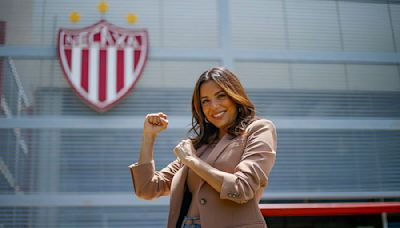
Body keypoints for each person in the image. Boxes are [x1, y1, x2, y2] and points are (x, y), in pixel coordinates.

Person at [129, 67, 277, 228]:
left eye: (221, 96)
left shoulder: (258, 129)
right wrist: (149, 137)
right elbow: (147, 189)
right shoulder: (198, 146)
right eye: (205, 100)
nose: (213, 106)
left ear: (235, 96)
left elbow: (243, 188)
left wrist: (192, 161)